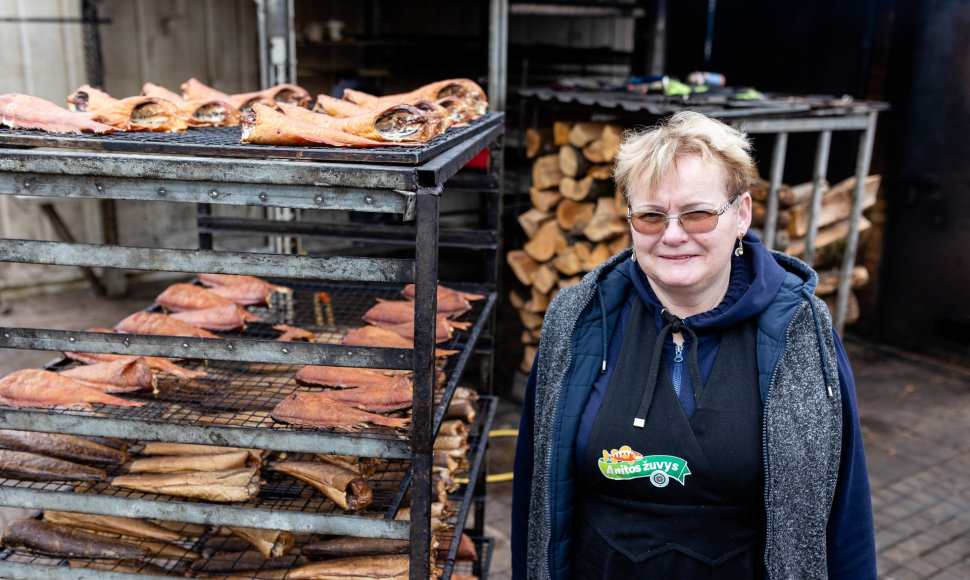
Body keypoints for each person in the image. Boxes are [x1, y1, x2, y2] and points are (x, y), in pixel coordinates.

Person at [511, 111, 877, 579]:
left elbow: (844, 508)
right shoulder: (579, 319)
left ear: (741, 213)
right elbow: (533, 490)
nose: (672, 235)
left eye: (698, 214)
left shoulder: (799, 330)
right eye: (649, 216)